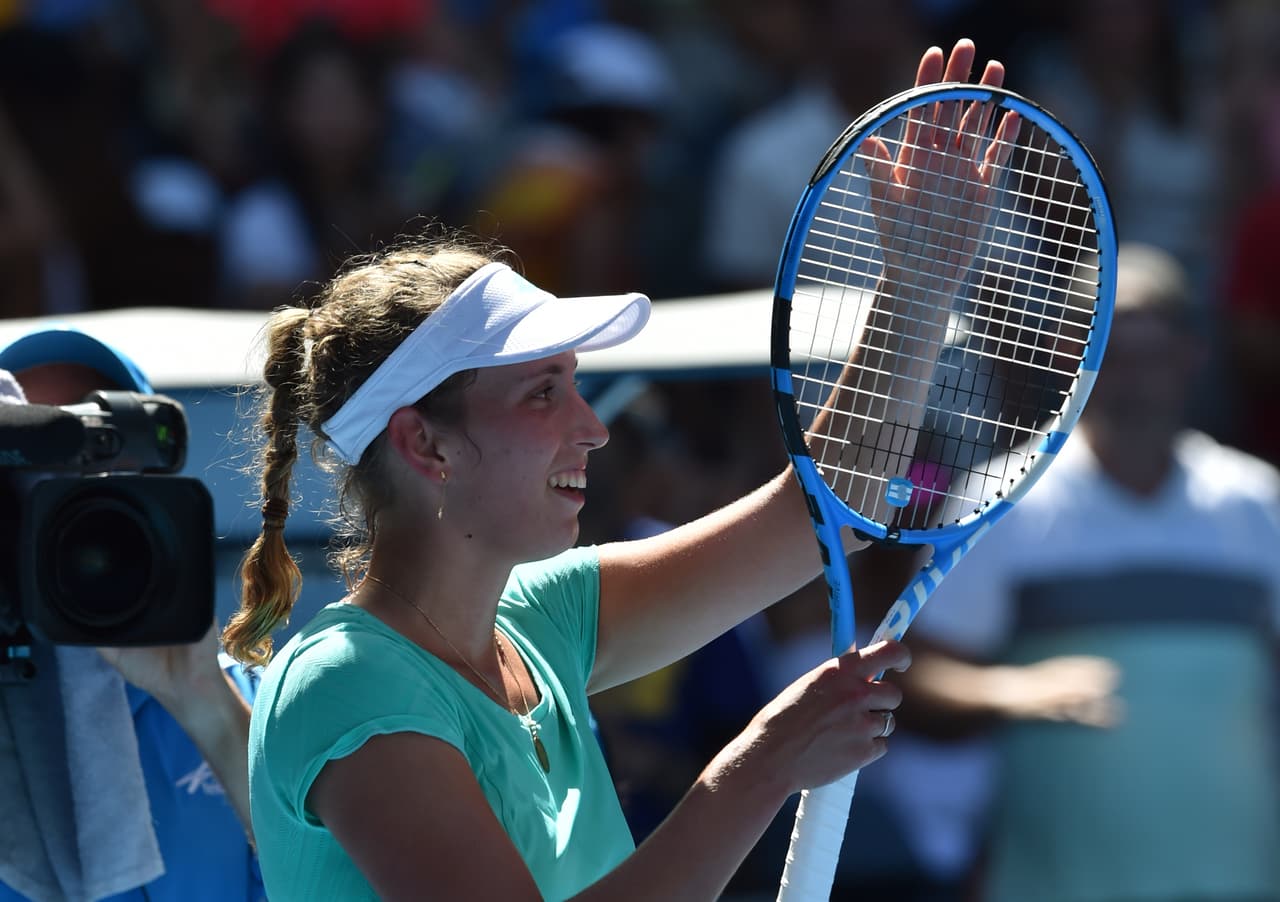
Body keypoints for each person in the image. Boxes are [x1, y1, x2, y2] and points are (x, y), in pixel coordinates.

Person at [221, 39, 1007, 900]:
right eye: (542, 394)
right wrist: (765, 763)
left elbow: (829, 507)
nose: (593, 430)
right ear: (425, 444)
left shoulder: (542, 619)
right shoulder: (347, 683)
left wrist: (919, 289)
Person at [899, 242, 1280, 901]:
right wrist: (1011, 692)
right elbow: (911, 677)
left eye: (1151, 352)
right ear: (1072, 360)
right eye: (1109, 349)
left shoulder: (1258, 502)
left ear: (1193, 356)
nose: (1131, 375)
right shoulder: (1001, 498)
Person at [0, 327, 263, 902]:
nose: (51, 501)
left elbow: (328, 879)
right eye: (23, 478)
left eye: (88, 460)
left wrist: (204, 701)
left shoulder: (246, 698)